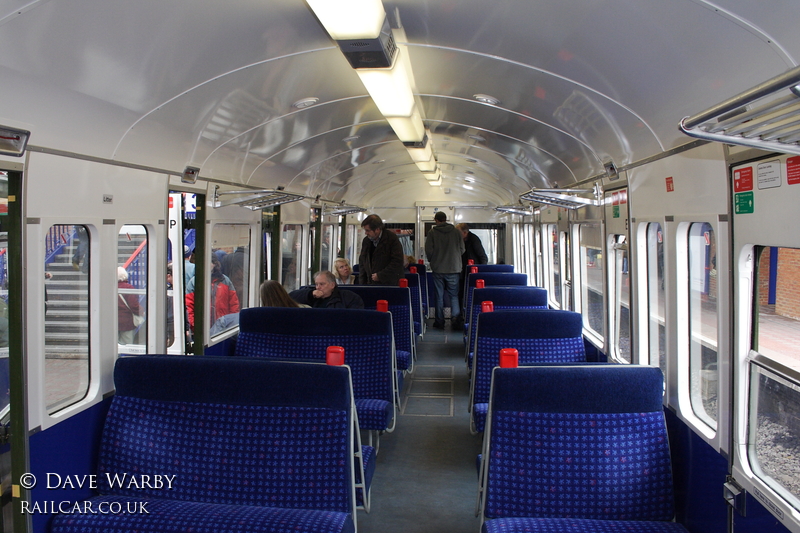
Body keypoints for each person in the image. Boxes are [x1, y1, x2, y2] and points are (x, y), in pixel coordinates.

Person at [424, 211, 465, 330]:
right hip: (453, 268)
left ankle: (439, 321)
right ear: (445, 219)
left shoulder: (432, 232)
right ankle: (456, 321)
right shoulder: (456, 232)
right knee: (453, 296)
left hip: (438, 269)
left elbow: (429, 250)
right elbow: (462, 249)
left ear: (436, 220)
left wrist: (434, 260)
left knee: (439, 296)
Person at [185, 254, 240, 333]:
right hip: (202, 330)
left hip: (223, 329)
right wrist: (194, 325)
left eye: (208, 262)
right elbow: (189, 306)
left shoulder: (225, 281)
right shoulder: (194, 282)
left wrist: (231, 323)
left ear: (214, 264)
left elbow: (234, 305)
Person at [358, 214, 404, 286]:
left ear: (377, 229)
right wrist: (362, 283)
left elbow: (397, 262)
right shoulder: (366, 241)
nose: (366, 233)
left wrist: (381, 275)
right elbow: (362, 262)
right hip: (370, 284)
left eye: (368, 230)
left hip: (389, 284)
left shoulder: (391, 239)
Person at [290, 271, 364, 309]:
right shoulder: (312, 296)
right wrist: (310, 294)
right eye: (316, 284)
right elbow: (290, 297)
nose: (318, 287)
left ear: (332, 285)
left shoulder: (349, 297)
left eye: (322, 284)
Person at [456, 222, 488, 307]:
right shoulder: (459, 241)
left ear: (465, 233)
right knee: (460, 293)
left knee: (469, 294)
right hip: (462, 271)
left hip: (473, 272)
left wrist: (481, 272)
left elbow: (482, 257)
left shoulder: (474, 240)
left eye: (458, 233)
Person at [117, 266, 142, 345]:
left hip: (112, 322)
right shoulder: (128, 288)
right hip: (126, 322)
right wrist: (142, 311)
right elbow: (134, 305)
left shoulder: (108, 288)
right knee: (127, 345)